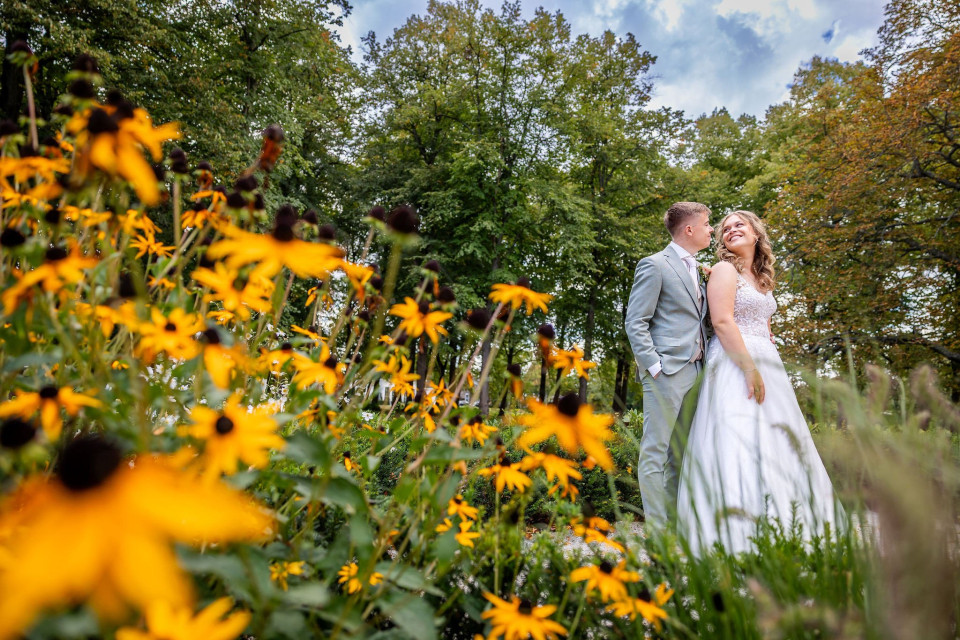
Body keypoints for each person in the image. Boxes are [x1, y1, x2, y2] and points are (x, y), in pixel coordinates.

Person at [676, 210, 843, 555]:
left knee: (778, 441)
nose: (732, 230)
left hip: (768, 362)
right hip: (737, 364)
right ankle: (736, 535)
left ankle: (786, 525)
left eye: (740, 224)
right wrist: (749, 368)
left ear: (756, 234)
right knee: (739, 439)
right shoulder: (723, 270)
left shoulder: (761, 278)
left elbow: (758, 319)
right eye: (725, 228)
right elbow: (722, 322)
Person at [625, 201, 713, 533]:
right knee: (655, 451)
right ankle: (657, 530)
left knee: (680, 453)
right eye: (707, 224)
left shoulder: (699, 269)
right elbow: (636, 321)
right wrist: (654, 366)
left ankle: (676, 525)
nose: (711, 229)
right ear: (689, 229)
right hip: (666, 373)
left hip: (696, 371)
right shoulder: (654, 265)